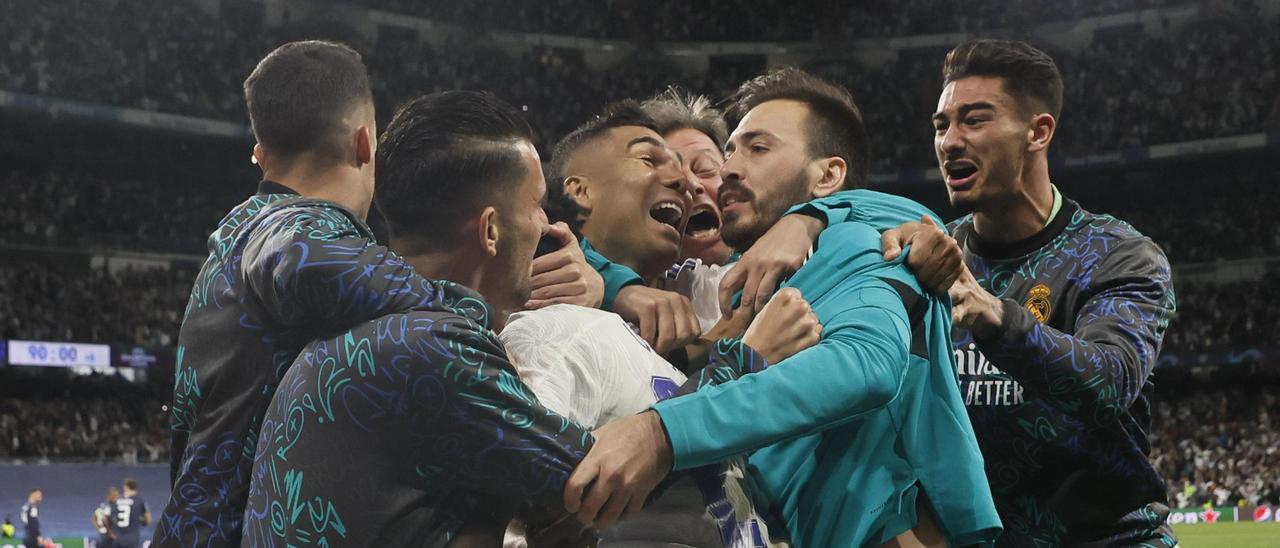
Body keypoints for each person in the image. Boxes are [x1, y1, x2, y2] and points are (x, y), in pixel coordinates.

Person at [241, 91, 777, 545]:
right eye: (537, 205)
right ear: (491, 230)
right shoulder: (437, 346)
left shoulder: (360, 330)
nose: (547, 224)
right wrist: (741, 357)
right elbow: (602, 482)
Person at [155, 41, 605, 547]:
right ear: (365, 143)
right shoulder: (288, 224)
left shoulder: (233, 243)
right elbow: (306, 264)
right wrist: (462, 310)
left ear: (261, 154)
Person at [741, 41, 1181, 546]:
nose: (950, 141)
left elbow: (1109, 382)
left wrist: (993, 315)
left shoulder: (1116, 254)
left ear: (1038, 132)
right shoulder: (925, 255)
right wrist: (806, 218)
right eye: (941, 125)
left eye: (974, 120)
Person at [562, 68, 1000, 547]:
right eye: (730, 150)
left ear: (830, 175)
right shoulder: (724, 280)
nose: (724, 171)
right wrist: (616, 285)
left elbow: (866, 363)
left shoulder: (861, 241)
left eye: (757, 148)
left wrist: (660, 435)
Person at [548, 100, 704, 356]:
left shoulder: (700, 286)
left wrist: (794, 221)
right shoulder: (524, 285)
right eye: (648, 160)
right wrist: (614, 288)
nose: (682, 181)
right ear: (580, 191)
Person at [111, 479, 150, 548]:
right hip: (132, 538)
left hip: (117, 538)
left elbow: (110, 517)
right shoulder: (140, 501)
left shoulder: (117, 500)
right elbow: (148, 520)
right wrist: (140, 521)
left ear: (125, 487)